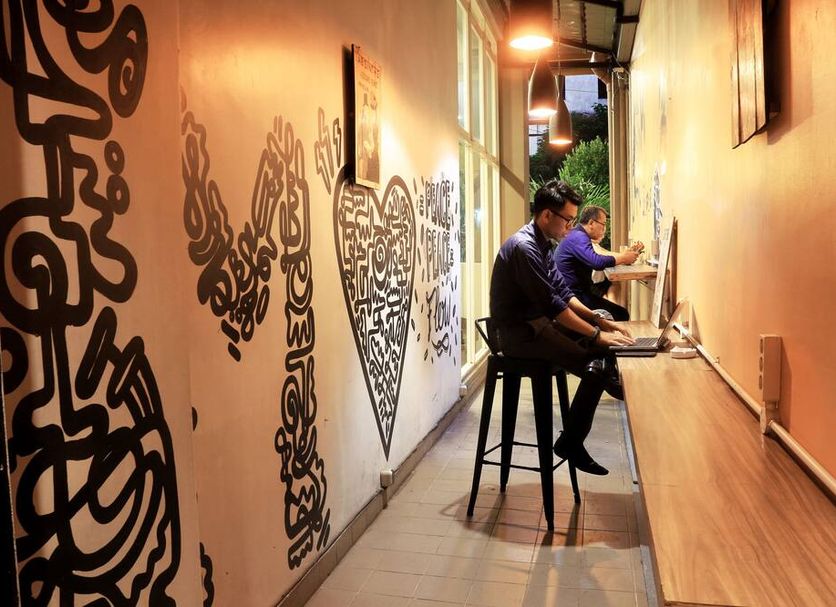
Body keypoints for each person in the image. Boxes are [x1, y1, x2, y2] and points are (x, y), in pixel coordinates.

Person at [489, 180, 635, 475]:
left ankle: (578, 432)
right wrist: (597, 335)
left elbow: (562, 292)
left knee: (602, 355)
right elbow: (552, 305)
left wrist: (598, 320)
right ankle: (572, 442)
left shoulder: (543, 244)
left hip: (538, 326)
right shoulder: (525, 248)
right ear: (546, 215)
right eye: (568, 219)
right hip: (519, 335)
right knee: (597, 364)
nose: (571, 226)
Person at [554, 205, 643, 321]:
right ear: (591, 223)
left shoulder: (576, 234)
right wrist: (624, 258)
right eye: (603, 224)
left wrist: (624, 256)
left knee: (616, 306)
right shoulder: (579, 236)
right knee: (621, 314)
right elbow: (596, 262)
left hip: (574, 293)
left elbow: (599, 256)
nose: (604, 229)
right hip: (573, 297)